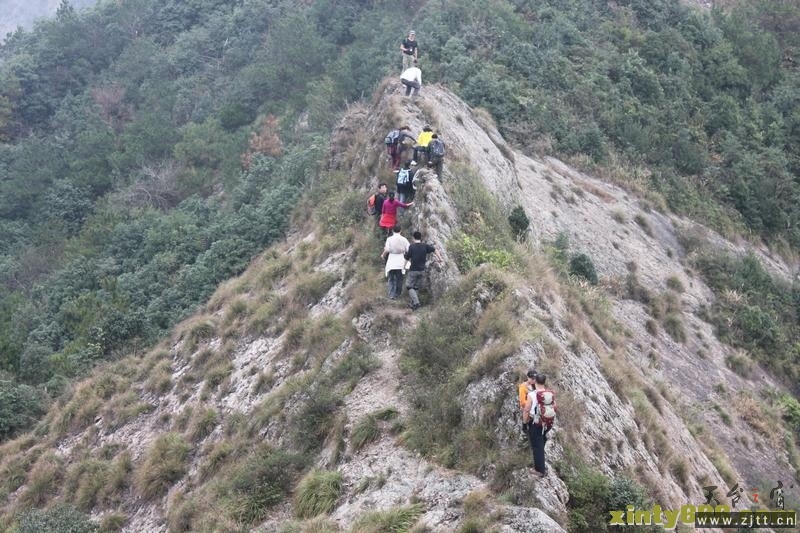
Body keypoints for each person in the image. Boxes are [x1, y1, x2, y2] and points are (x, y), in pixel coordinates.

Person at [523, 373, 555, 477]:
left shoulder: (532, 395)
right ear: (544, 382)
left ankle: (540, 470)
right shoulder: (549, 393)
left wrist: (524, 423)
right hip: (548, 423)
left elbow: (527, 410)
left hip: (536, 424)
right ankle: (541, 458)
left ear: (535, 381)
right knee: (541, 439)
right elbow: (554, 407)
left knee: (537, 447)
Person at [404, 231, 442, 310]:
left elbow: (407, 258)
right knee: (416, 287)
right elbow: (435, 250)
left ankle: (416, 302)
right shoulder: (425, 246)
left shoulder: (411, 247)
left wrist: (404, 266)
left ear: (413, 238)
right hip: (422, 270)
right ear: (420, 237)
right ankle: (413, 304)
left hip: (413, 270)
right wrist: (440, 258)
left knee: (409, 286)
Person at [381, 225, 410, 300]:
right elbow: (408, 250)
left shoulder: (389, 239)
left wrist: (383, 255)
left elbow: (387, 249)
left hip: (392, 259)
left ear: (393, 231)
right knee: (399, 278)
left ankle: (392, 295)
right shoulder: (404, 239)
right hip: (400, 260)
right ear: (401, 231)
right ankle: (397, 294)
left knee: (391, 278)